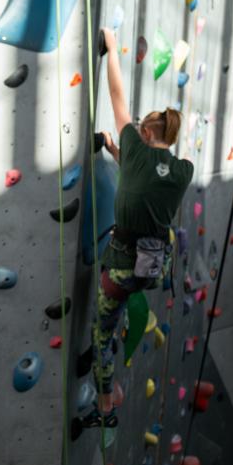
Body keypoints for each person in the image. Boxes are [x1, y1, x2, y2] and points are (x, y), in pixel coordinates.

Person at [86, 27, 194, 427]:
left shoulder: (135, 144)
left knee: (101, 334)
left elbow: (117, 97)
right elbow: (147, 186)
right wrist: (119, 153)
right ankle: (123, 325)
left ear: (145, 133)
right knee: (123, 299)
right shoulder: (183, 171)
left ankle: (105, 402)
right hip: (153, 269)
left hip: (120, 267)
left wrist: (112, 50)